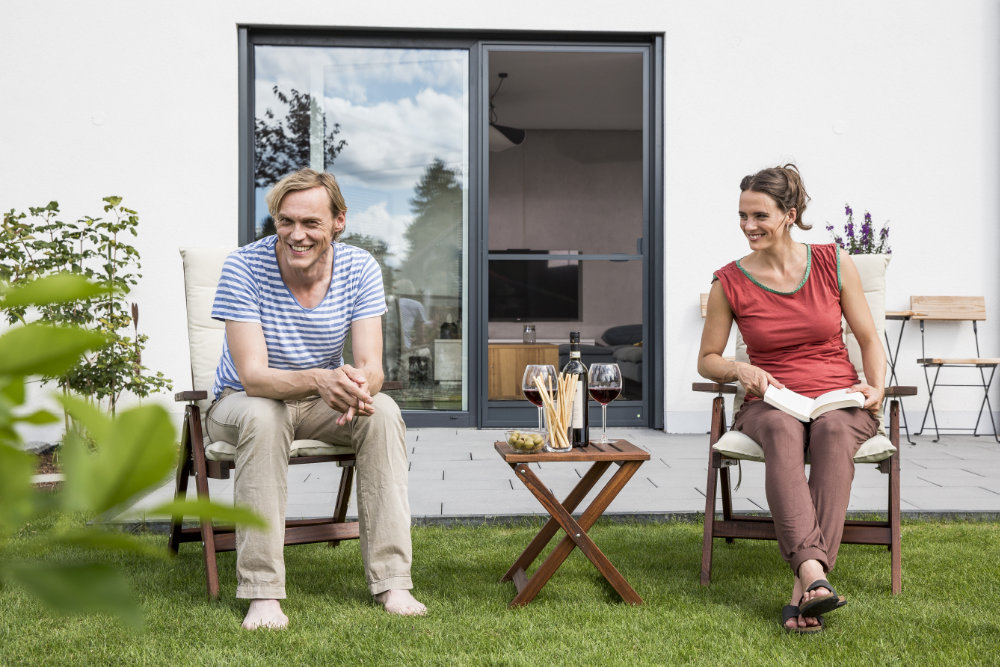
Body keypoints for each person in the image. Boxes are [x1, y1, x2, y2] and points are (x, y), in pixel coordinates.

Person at [207, 168, 426, 629]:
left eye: (311, 223)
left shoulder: (360, 267)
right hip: (240, 404)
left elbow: (373, 368)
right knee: (265, 417)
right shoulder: (244, 267)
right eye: (286, 222)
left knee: (382, 412)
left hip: (319, 402)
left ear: (339, 222)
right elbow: (254, 378)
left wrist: (354, 385)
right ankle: (263, 593)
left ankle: (392, 580)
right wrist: (322, 378)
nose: (296, 234)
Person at [697, 164, 885, 634]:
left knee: (835, 428)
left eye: (759, 214)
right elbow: (707, 359)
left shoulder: (833, 262)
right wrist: (740, 369)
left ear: (789, 214)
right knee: (782, 429)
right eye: (742, 215)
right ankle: (815, 579)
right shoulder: (729, 282)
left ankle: (806, 584)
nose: (747, 226)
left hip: (837, 396)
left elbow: (868, 336)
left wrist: (876, 385)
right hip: (771, 401)